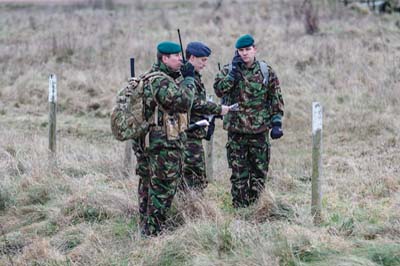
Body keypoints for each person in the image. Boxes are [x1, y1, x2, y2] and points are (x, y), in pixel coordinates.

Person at [213, 34, 284, 208]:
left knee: (259, 172)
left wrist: (276, 122)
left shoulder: (266, 71)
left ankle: (257, 206)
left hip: (259, 131)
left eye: (247, 50)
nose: (244, 54)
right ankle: (240, 210)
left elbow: (275, 97)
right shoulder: (228, 70)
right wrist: (232, 76)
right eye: (241, 50)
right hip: (236, 132)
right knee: (239, 174)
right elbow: (218, 91)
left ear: (254, 50)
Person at [136, 41, 195, 236]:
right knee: (163, 188)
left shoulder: (149, 77)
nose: (181, 59)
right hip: (162, 145)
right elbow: (184, 102)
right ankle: (154, 233)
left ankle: (145, 227)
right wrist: (188, 79)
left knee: (147, 185)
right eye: (176, 56)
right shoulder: (161, 82)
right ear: (164, 59)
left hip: (147, 142)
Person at [181, 41, 230, 192]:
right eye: (203, 60)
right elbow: (193, 103)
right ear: (192, 58)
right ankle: (192, 208)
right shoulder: (184, 77)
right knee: (193, 175)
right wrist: (217, 109)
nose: (205, 64)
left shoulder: (193, 76)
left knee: (196, 175)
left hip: (194, 132)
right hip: (186, 132)